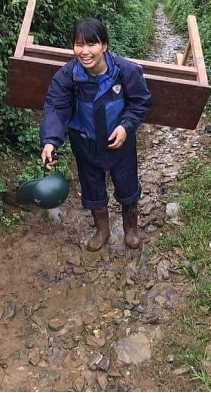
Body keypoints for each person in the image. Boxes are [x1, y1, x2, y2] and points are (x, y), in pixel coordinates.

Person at [40, 17, 152, 251]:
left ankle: (131, 229)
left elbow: (140, 102)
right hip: (85, 142)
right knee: (92, 188)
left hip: (120, 141)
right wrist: (50, 141)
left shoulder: (126, 71)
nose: (85, 51)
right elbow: (56, 107)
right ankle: (102, 230)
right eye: (79, 44)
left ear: (104, 46)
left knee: (127, 185)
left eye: (92, 44)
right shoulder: (68, 75)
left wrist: (126, 126)